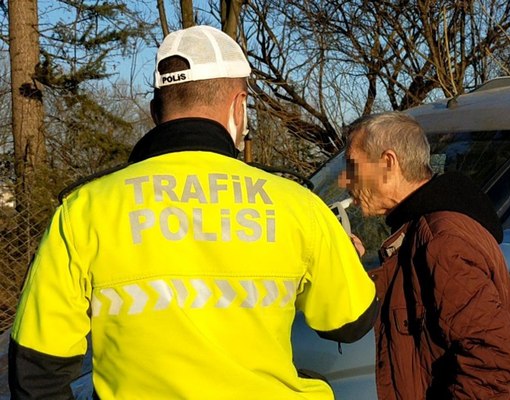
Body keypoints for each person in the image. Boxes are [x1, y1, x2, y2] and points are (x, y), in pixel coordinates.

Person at [9, 25, 377, 400]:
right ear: (239, 108)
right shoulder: (297, 205)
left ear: (156, 111)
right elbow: (350, 323)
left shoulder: (84, 210)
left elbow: (36, 369)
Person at [340, 112, 510, 399]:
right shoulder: (423, 231)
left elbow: (495, 362)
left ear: (387, 163)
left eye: (352, 166)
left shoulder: (443, 241)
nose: (344, 180)